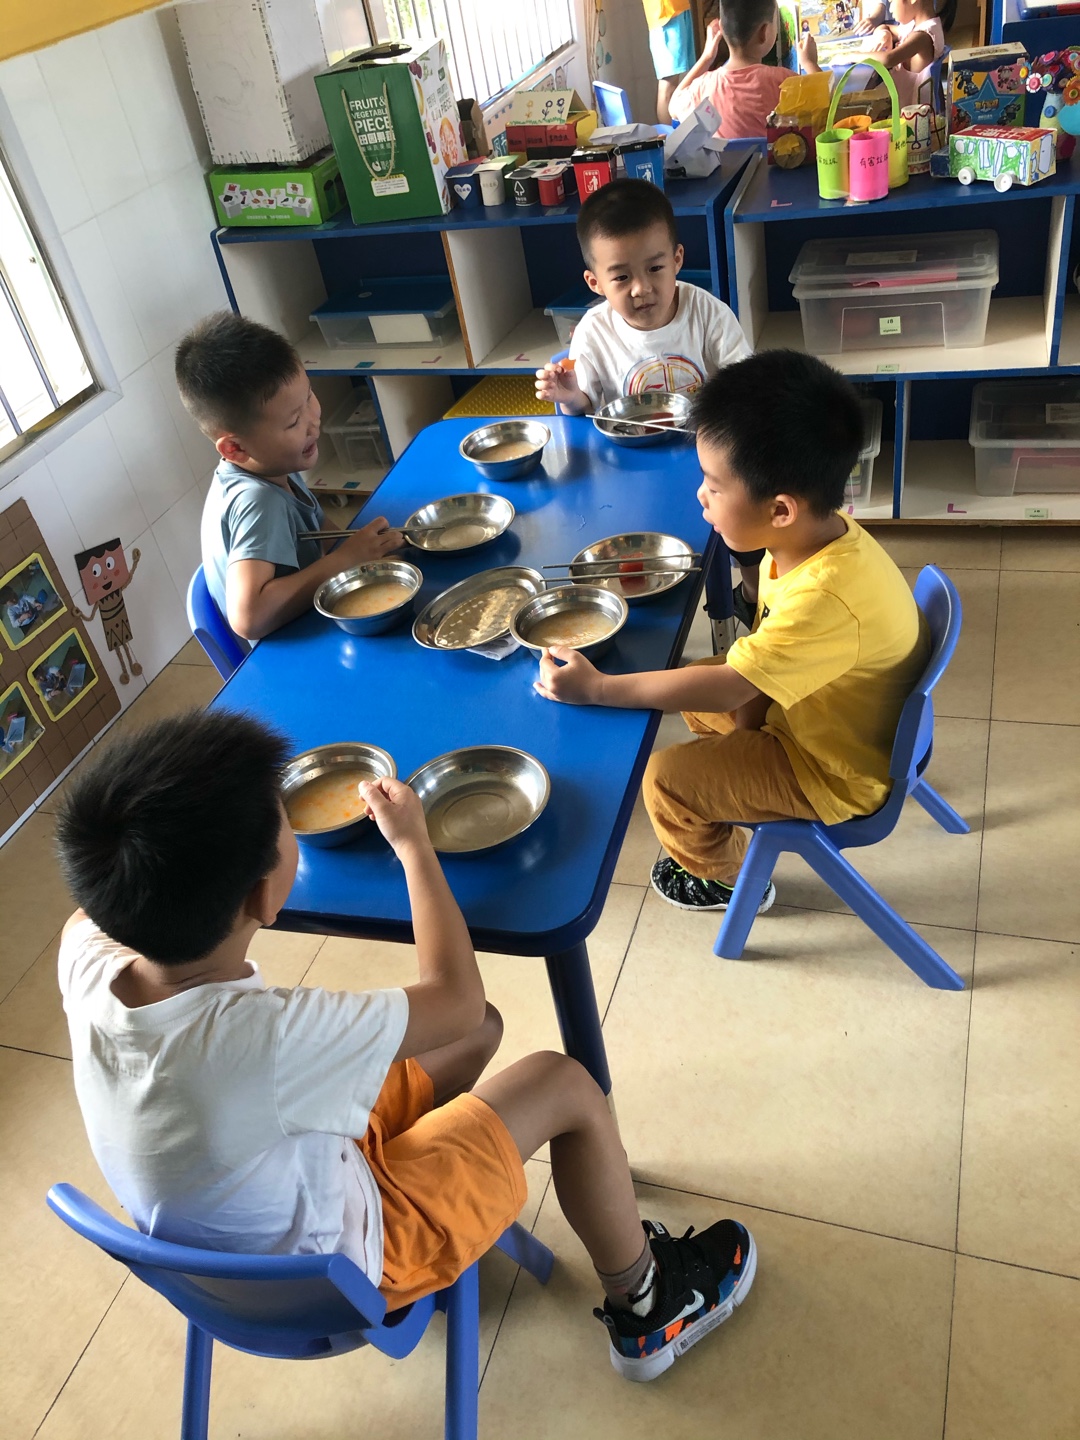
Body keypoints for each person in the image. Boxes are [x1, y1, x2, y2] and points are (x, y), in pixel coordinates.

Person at [54, 710, 757, 1382]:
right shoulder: (269, 1037)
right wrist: (414, 844)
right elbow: (455, 997)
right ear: (266, 895)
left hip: (241, 1240)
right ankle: (648, 1306)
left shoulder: (84, 955)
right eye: (284, 821)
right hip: (352, 1265)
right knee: (564, 1082)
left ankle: (457, 1176)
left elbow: (97, 911)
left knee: (479, 1036)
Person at [534, 350, 930, 915]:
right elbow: (745, 675)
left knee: (665, 779)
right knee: (695, 688)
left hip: (832, 770)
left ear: (781, 510)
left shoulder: (826, 598)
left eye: (715, 487)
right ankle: (727, 786)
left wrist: (598, 689)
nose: (701, 495)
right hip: (821, 716)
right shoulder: (811, 539)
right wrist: (745, 721)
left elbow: (733, 686)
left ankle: (726, 880)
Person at [535, 179, 763, 625]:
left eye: (655, 268)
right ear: (595, 282)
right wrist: (569, 396)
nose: (641, 288)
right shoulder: (593, 331)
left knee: (745, 503)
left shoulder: (708, 314)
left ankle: (752, 592)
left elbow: (746, 385)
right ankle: (637, 608)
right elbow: (585, 408)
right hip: (627, 469)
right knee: (612, 536)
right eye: (621, 277)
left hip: (704, 455)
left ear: (677, 259)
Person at [175, 312, 403, 642]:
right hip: (288, 653)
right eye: (294, 421)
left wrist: (369, 550)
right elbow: (248, 617)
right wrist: (345, 559)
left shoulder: (273, 466)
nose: (313, 420)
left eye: (309, 396)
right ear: (235, 448)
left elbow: (322, 534)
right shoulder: (258, 501)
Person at [669, 1, 815, 139]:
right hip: (776, 158)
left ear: (721, 28)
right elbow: (827, 103)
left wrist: (706, 57)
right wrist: (809, 63)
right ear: (764, 32)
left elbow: (673, 108)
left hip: (726, 159)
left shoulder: (702, 89)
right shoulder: (785, 82)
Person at [802, 0, 948, 106]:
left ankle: (810, 65)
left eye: (892, 1)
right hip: (900, 102)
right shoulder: (917, 26)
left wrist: (851, 55)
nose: (890, 8)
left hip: (909, 116)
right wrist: (885, 34)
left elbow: (888, 59)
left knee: (844, 99)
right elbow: (885, 27)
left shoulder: (923, 36)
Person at [643, 0, 697, 125]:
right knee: (668, 85)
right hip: (665, 14)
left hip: (680, 8)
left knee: (682, 80)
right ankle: (668, 135)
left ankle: (677, 133)